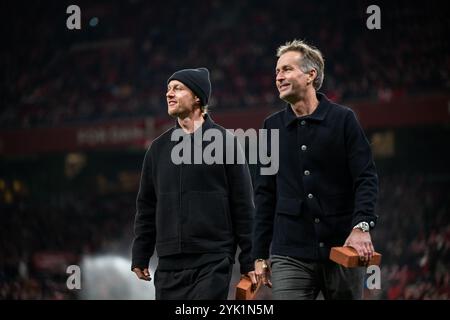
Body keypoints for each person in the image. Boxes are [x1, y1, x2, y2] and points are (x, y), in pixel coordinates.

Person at [252, 40, 379, 300]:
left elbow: (365, 177)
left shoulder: (344, 119)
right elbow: (265, 194)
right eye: (277, 72)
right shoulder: (270, 128)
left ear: (311, 75)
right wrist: (259, 253)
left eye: (286, 69)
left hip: (343, 246)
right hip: (289, 253)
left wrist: (362, 226)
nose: (278, 77)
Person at [131, 67, 256, 300]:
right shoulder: (157, 149)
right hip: (168, 265)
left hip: (212, 259)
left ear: (197, 96)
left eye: (177, 88)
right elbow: (146, 207)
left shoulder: (226, 143)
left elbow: (243, 206)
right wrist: (140, 253)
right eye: (168, 89)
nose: (169, 94)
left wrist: (249, 259)